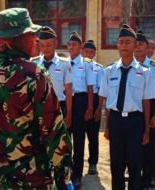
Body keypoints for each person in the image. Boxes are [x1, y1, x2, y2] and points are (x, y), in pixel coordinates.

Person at [0, 8, 73, 189]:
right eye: (30, 34)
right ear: (13, 39)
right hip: (32, 178)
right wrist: (63, 175)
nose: (36, 38)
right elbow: (53, 130)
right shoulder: (35, 74)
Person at [99, 24, 155, 190]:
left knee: (135, 163)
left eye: (128, 42)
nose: (124, 45)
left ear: (135, 45)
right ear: (117, 45)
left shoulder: (145, 72)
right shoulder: (108, 71)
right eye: (121, 42)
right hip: (116, 121)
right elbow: (108, 103)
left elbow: (146, 103)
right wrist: (107, 127)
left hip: (135, 122)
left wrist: (146, 130)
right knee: (116, 163)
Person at [134, 29, 155, 189]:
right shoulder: (128, 64)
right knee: (134, 144)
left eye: (142, 44)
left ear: (148, 48)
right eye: (136, 44)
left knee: (151, 145)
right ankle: (134, 172)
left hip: (152, 106)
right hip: (135, 108)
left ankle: (150, 175)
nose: (138, 47)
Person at [67, 32, 96, 189]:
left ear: (81, 47)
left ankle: (77, 175)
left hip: (80, 102)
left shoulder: (87, 63)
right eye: (70, 45)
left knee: (78, 140)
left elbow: (91, 87)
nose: (72, 47)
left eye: (75, 45)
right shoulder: (63, 63)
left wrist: (90, 108)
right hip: (66, 103)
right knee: (65, 140)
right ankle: (65, 173)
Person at [32, 26, 72, 130]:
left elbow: (68, 91)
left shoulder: (64, 64)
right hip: (39, 109)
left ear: (56, 43)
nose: (45, 48)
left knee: (59, 142)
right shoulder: (33, 63)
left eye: (49, 45)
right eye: (42, 45)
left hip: (58, 108)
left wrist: (69, 114)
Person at [82, 40, 104, 175]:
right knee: (77, 136)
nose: (89, 55)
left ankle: (92, 163)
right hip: (79, 100)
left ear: (95, 54)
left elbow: (102, 90)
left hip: (95, 100)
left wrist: (99, 109)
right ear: (82, 52)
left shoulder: (99, 69)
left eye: (91, 52)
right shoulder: (73, 65)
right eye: (86, 52)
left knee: (93, 136)